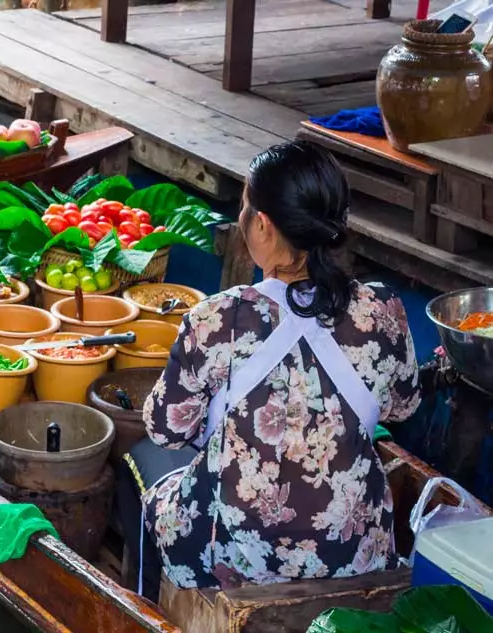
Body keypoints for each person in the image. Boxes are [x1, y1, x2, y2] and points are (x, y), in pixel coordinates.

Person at [116, 141, 421, 601]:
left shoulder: (219, 318)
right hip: (351, 550)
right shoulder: (382, 311)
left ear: (262, 223)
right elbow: (402, 405)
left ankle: (142, 611)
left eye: (244, 207)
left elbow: (165, 429)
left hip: (236, 555)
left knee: (142, 473)